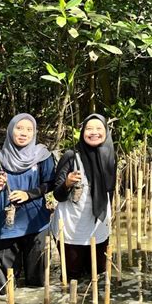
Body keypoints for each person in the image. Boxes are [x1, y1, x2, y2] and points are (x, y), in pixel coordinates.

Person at [0, 113, 55, 292]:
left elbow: (50, 183)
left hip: (36, 225)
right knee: (3, 288)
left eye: (29, 129)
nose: (24, 133)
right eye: (19, 128)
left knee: (37, 286)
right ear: (10, 130)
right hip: (3, 227)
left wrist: (29, 194)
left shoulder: (42, 156)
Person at [51, 114, 116, 280]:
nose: (94, 132)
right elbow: (57, 194)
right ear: (82, 132)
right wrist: (67, 183)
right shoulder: (71, 156)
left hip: (99, 226)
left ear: (106, 132)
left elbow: (110, 191)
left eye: (99, 128)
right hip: (72, 227)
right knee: (72, 276)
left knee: (98, 274)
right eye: (89, 129)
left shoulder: (109, 157)